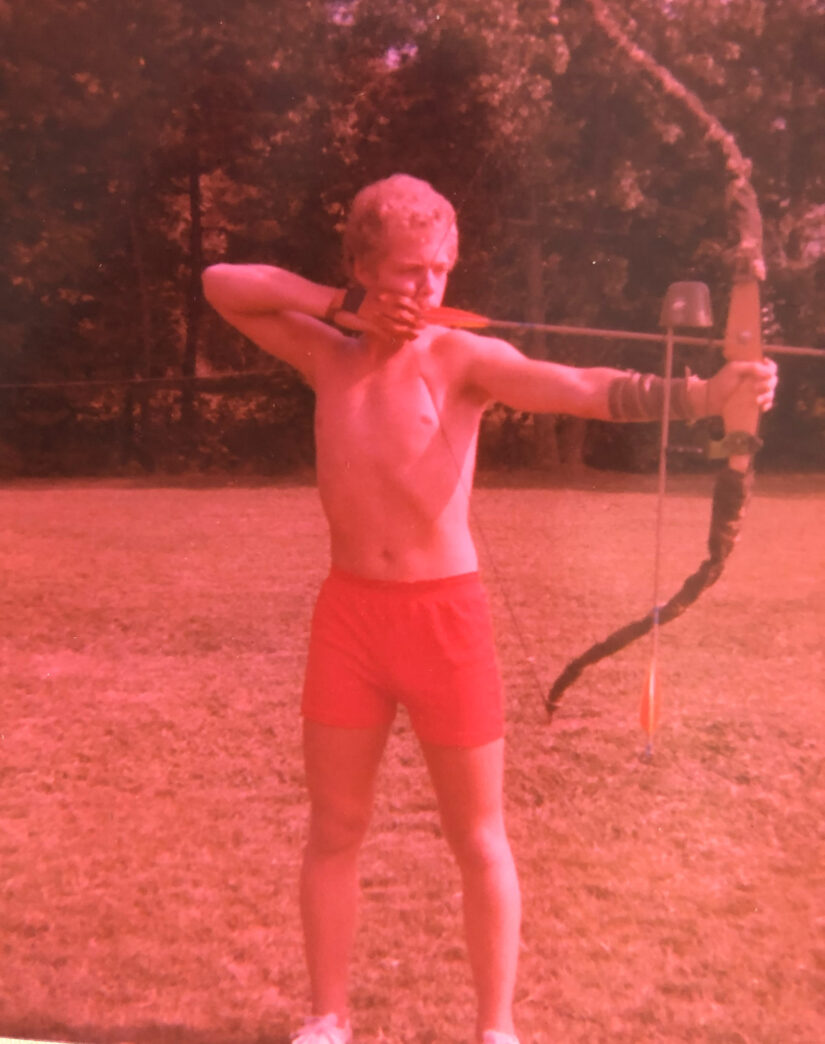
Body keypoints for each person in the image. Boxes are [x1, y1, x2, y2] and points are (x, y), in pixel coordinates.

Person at [202, 173, 777, 1044]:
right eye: (401, 272)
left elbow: (578, 385)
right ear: (358, 265)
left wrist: (705, 397)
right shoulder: (328, 352)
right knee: (335, 827)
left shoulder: (460, 357)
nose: (423, 290)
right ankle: (327, 1018)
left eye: (436, 271)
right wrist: (341, 308)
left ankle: (494, 1029)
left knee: (478, 837)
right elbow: (222, 285)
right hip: (350, 620)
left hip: (446, 623)